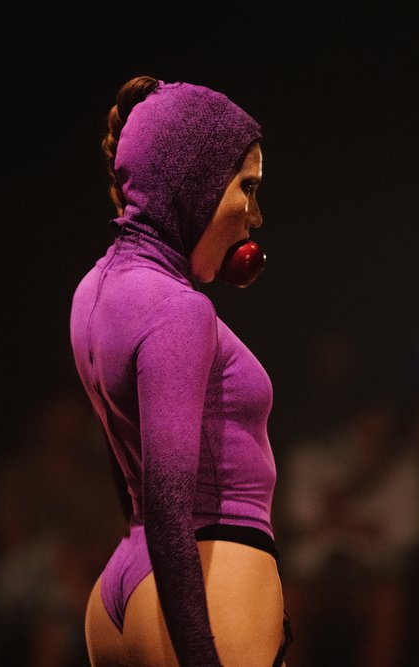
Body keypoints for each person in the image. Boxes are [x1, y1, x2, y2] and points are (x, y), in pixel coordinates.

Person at [69, 75, 289, 666]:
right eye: (247, 187)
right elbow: (170, 510)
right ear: (197, 183)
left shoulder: (92, 290)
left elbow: (130, 474)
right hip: (211, 580)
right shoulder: (179, 310)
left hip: (122, 587)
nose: (256, 215)